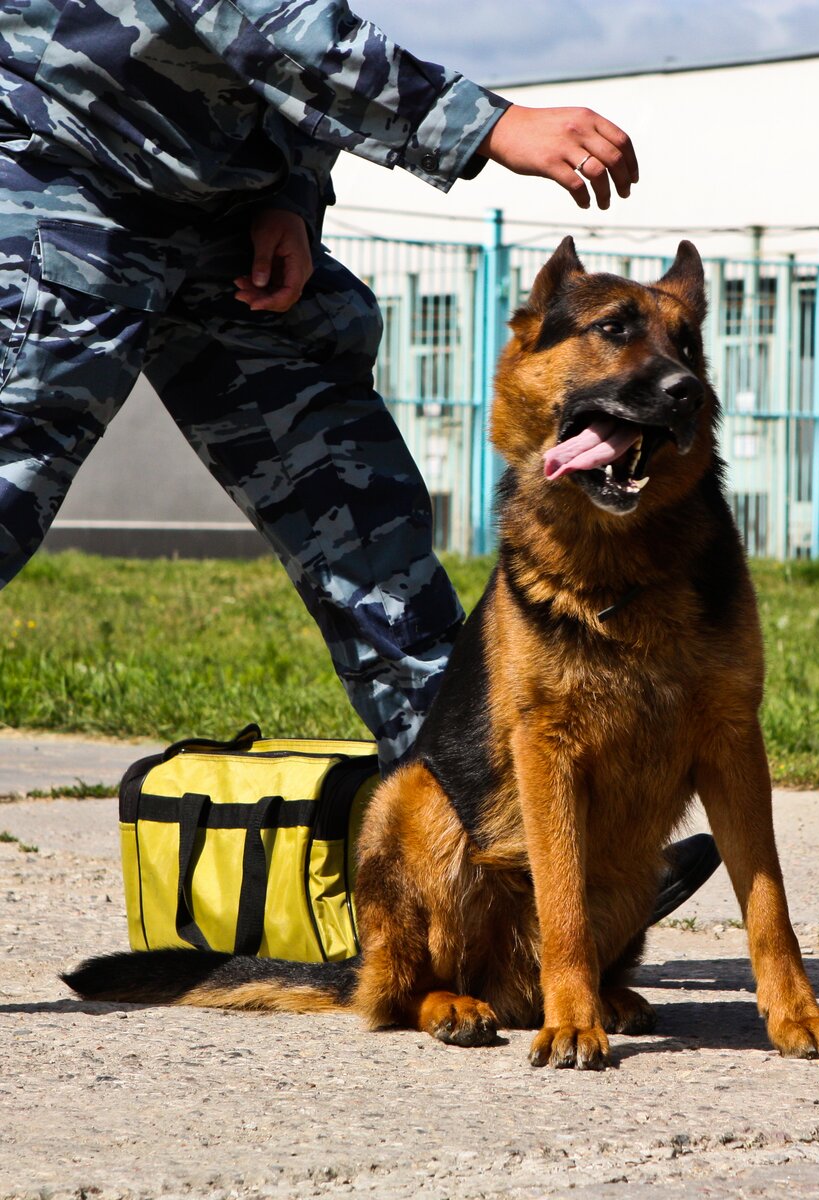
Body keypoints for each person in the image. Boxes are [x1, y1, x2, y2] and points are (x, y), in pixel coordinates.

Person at [0, 0, 718, 909]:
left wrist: (290, 194)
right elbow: (265, 19)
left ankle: (510, 865)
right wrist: (491, 125)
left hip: (223, 226)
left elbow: (280, 62)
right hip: (62, 173)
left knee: (366, 528)